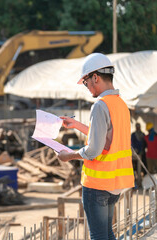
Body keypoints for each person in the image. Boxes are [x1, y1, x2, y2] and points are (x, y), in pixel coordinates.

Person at [56, 53, 135, 240]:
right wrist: (76, 125)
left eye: (85, 82)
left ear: (95, 77)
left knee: (99, 236)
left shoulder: (100, 105)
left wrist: (68, 156)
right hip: (114, 184)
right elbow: (106, 138)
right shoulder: (120, 104)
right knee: (107, 234)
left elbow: (94, 150)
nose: (87, 87)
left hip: (98, 185)